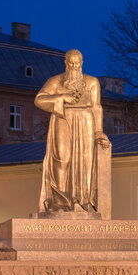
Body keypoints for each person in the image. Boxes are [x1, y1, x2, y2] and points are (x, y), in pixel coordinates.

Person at [34, 49, 110, 213]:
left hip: (86, 121)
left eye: (77, 63)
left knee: (86, 161)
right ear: (66, 63)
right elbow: (39, 99)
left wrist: (99, 131)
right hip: (62, 119)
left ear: (82, 63)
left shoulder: (92, 82)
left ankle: (84, 200)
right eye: (71, 63)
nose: (75, 66)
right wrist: (61, 98)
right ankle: (60, 202)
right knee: (62, 158)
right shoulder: (55, 81)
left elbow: (97, 106)